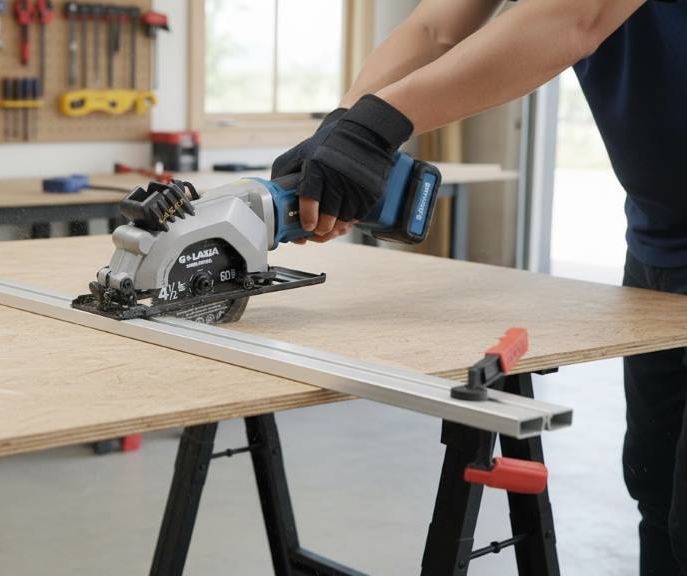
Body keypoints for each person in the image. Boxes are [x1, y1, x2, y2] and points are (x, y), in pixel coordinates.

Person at [272, 0, 687, 572]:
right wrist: (340, 131)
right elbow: (435, 27)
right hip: (659, 240)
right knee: (657, 486)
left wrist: (376, 126)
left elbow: (570, 20)